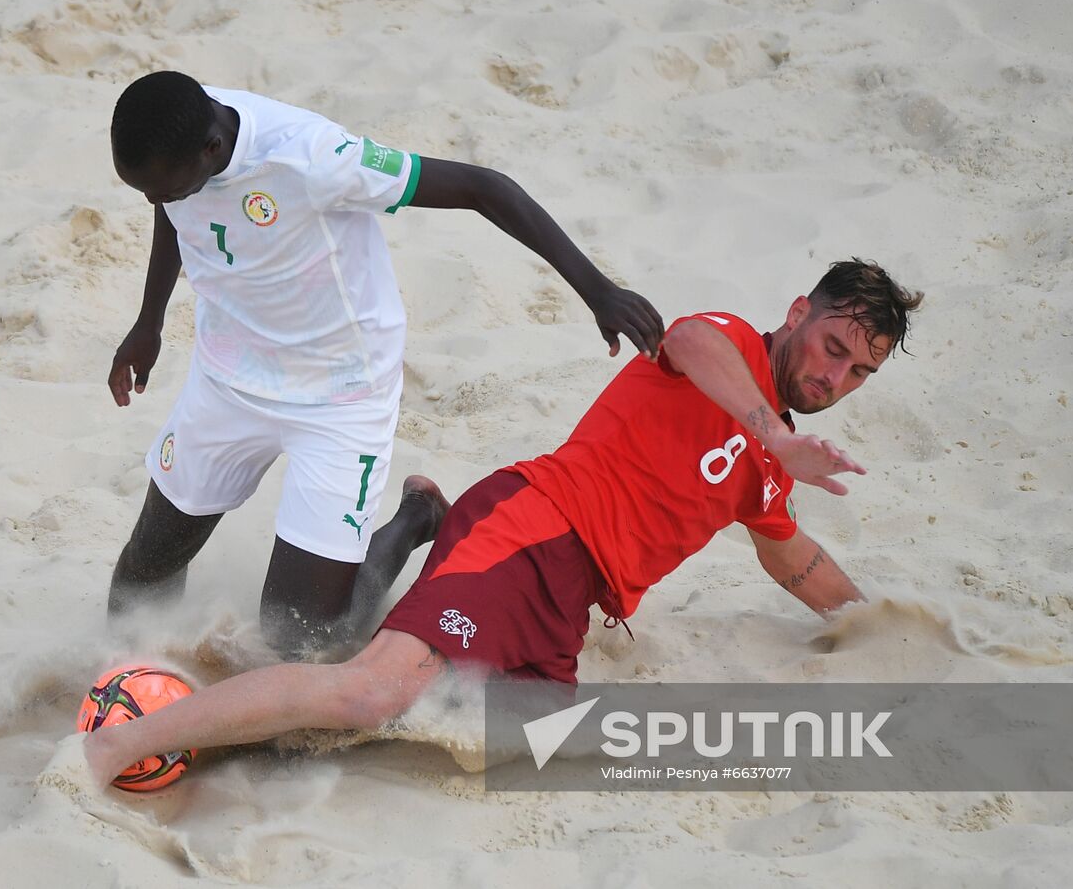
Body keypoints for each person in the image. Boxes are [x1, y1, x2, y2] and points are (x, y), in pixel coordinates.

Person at [80, 259, 924, 788]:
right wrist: (771, 427)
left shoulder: (773, 467)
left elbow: (796, 561)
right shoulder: (734, 348)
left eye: (860, 369)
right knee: (368, 687)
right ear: (800, 309)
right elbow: (686, 339)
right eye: (833, 345)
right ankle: (119, 748)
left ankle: (421, 527)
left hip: (568, 600)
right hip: (533, 529)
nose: (837, 374)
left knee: (536, 743)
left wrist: (886, 629)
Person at [104, 71, 664, 654]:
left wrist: (597, 289)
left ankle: (414, 519)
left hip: (339, 394)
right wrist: (149, 322)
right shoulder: (181, 136)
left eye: (163, 190)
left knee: (301, 643)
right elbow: (174, 210)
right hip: (227, 379)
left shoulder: (315, 158)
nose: (155, 203)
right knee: (140, 580)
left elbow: (484, 188)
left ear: (212, 150)